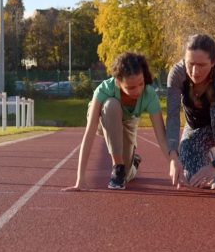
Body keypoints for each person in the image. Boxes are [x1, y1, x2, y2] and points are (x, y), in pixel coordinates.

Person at [64, 52, 171, 191]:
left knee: (127, 176)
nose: (138, 90)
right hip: (104, 118)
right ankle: (118, 167)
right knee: (111, 105)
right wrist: (80, 179)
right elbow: (89, 132)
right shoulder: (104, 89)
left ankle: (132, 164)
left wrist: (174, 164)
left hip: (128, 122)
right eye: (131, 87)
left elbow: (162, 137)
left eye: (141, 83)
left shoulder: (149, 94)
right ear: (118, 82)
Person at [166, 34, 215, 190]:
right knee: (193, 178)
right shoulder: (177, 75)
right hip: (195, 127)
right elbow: (173, 118)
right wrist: (173, 157)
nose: (195, 71)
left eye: (201, 65)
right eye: (191, 64)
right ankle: (208, 155)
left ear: (213, 62)